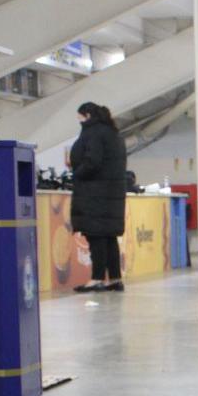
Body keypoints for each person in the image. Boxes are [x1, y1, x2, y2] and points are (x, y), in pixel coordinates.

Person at [69, 102, 128, 293]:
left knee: (96, 237)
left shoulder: (93, 133)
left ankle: (97, 279)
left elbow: (92, 162)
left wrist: (76, 173)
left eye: (79, 117)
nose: (79, 122)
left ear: (86, 115)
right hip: (111, 192)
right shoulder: (114, 134)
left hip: (95, 193)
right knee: (108, 237)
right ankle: (115, 278)